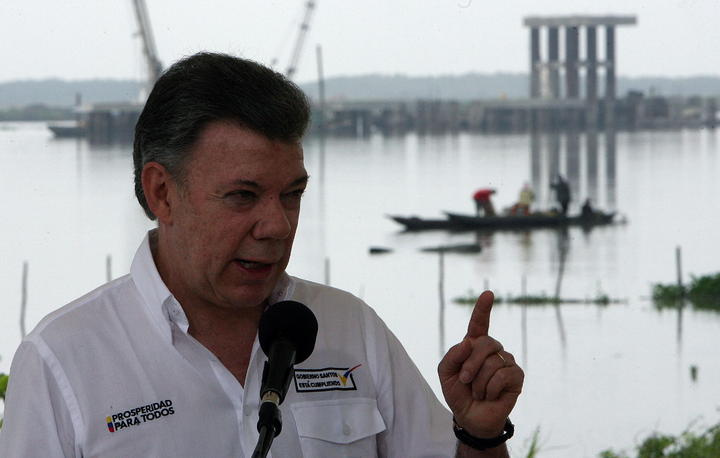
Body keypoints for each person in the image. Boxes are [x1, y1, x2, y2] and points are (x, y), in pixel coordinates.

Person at [0, 53, 523, 457]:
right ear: (162, 192)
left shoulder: (351, 328)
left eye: (292, 194)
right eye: (243, 196)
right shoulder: (61, 360)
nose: (278, 226)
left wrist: (479, 435)